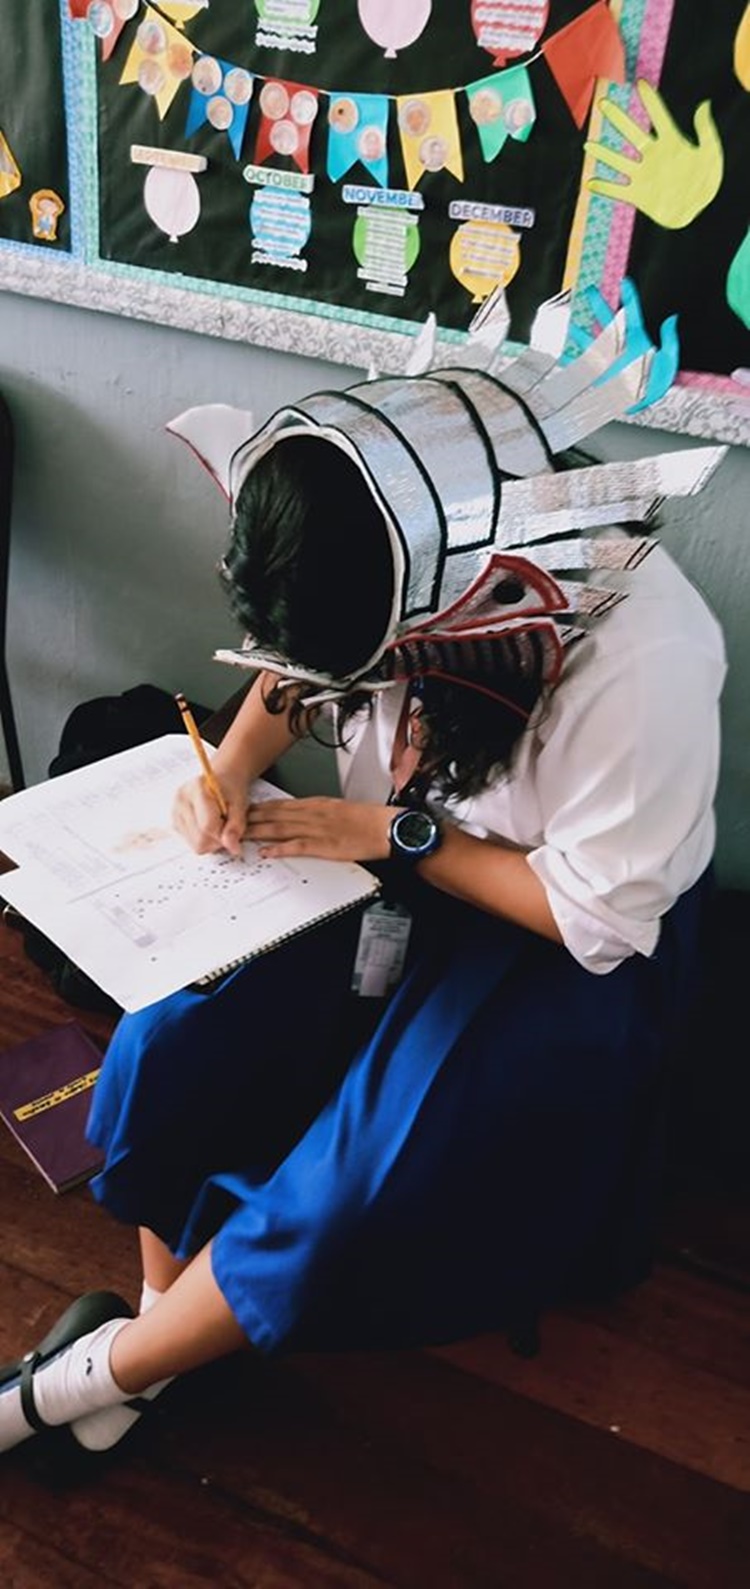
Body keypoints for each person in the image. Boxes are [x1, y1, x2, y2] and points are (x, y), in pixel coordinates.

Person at [0, 321, 727, 1464]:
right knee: (163, 1042)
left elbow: (594, 917)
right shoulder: (371, 511)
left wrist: (396, 835)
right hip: (391, 855)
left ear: (445, 595)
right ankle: (156, 1333)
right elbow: (288, 683)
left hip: (548, 934)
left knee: (357, 1183)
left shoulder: (645, 652)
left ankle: (77, 1384)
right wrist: (228, 770)